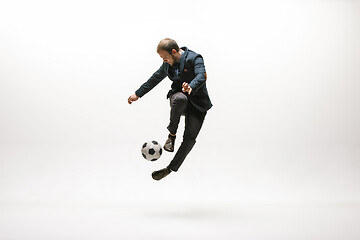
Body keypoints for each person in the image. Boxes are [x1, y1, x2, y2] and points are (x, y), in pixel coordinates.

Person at [128, 38, 212, 181]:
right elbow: (154, 78)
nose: (164, 60)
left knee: (190, 139)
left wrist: (191, 86)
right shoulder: (167, 65)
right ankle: (171, 136)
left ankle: (170, 168)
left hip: (198, 103)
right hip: (179, 99)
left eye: (164, 57)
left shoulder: (195, 58)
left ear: (174, 51)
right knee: (180, 98)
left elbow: (200, 75)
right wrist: (138, 94)